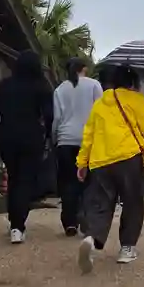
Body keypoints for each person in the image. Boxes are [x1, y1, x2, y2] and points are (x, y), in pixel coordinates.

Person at [75, 63, 144, 272]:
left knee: (100, 204)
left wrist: (82, 163)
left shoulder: (100, 103)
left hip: (100, 161)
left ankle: (91, 238)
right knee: (132, 202)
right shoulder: (137, 99)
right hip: (128, 158)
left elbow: (88, 135)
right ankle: (127, 248)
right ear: (133, 82)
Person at [0, 50, 53, 244]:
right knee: (26, 180)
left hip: (7, 136)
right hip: (31, 136)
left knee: (13, 177)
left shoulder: (5, 84)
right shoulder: (41, 86)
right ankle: (17, 226)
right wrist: (47, 135)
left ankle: (14, 222)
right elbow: (49, 115)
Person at [51, 58, 103, 237]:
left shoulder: (60, 89)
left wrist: (55, 138)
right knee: (89, 183)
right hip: (89, 141)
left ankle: (70, 222)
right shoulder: (94, 85)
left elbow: (57, 119)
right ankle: (86, 218)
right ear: (84, 69)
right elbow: (101, 113)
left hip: (65, 140)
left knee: (68, 182)